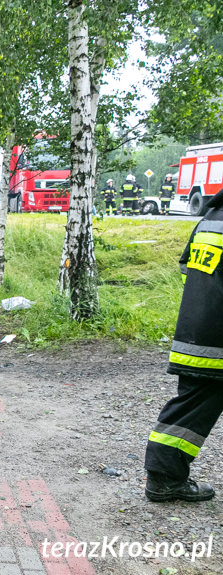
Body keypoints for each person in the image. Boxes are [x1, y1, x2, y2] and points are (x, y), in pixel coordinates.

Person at [144, 189, 223, 502]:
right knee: (194, 405)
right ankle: (163, 477)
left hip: (196, 330)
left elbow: (186, 266)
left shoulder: (210, 218)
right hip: (216, 339)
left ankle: (164, 476)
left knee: (192, 403)